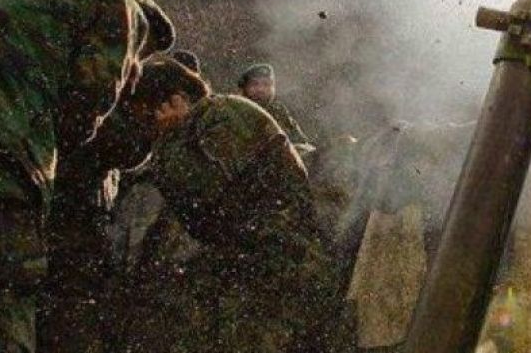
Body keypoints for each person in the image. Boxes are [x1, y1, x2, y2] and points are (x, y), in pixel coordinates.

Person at [0, 0, 177, 352]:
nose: (139, 64)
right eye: (142, 55)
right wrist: (120, 88)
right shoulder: (121, 8)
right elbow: (81, 113)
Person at [114, 94, 353, 353]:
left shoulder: (216, 117)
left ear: (171, 101)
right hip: (276, 260)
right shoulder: (214, 120)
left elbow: (198, 201)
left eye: (147, 115)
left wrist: (165, 140)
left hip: (274, 266)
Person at [38, 53, 210, 353]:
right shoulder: (102, 120)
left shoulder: (104, 113)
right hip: (65, 257)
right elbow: (125, 150)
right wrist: (167, 134)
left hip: (78, 258)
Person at [237, 63, 315, 154]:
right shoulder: (234, 110)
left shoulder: (278, 111)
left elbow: (300, 141)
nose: (260, 89)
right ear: (244, 88)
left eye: (266, 84)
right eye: (254, 84)